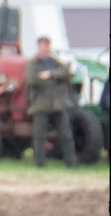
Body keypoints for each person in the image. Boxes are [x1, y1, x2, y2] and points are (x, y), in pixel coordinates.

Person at [26, 36, 77, 168]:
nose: (45, 48)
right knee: (40, 137)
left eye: (47, 45)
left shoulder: (55, 62)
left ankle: (71, 163)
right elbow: (32, 80)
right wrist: (56, 80)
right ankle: (40, 164)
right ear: (38, 46)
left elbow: (66, 73)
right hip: (41, 105)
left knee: (66, 135)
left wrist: (50, 74)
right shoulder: (33, 63)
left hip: (58, 104)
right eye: (42, 45)